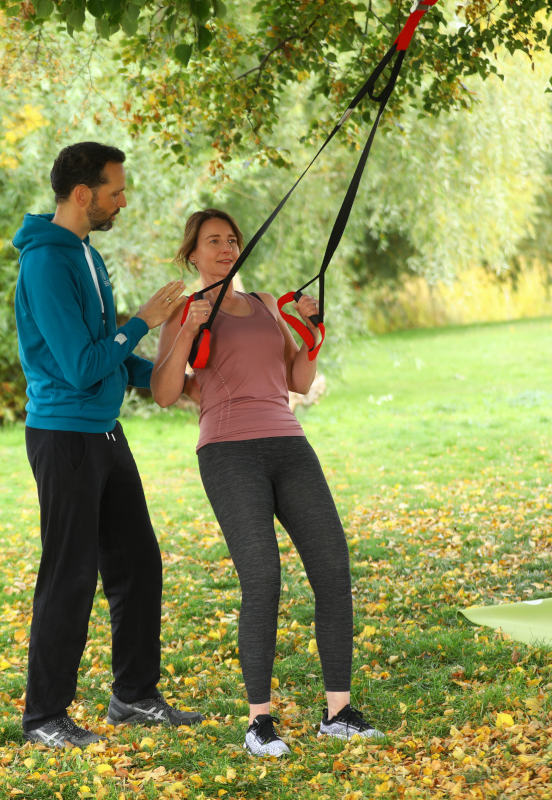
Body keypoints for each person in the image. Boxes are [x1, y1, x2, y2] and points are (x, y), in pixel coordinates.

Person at [151, 208, 383, 757]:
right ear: (193, 254)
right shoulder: (185, 312)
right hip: (229, 453)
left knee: (332, 567)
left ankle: (338, 712)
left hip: (288, 444)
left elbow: (297, 379)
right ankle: (259, 723)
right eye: (214, 242)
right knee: (263, 578)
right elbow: (164, 392)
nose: (227, 248)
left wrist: (311, 332)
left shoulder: (260, 308)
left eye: (232, 239)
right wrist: (188, 326)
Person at [12, 142, 204, 749]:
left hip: (101, 431)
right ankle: (45, 717)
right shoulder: (47, 263)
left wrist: (173, 380)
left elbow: (110, 358)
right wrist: (144, 319)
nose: (122, 200)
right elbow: (80, 365)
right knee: (69, 573)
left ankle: (134, 696)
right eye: (115, 190)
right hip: (64, 434)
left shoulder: (86, 255)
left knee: (138, 564)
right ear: (80, 194)